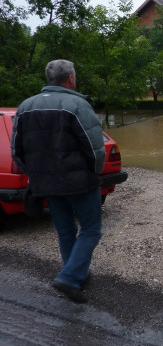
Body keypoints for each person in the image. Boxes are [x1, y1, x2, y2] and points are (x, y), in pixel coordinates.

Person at [11, 59, 105, 303]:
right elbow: (95, 148)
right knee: (91, 230)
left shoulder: (25, 107)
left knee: (65, 231)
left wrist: (35, 173)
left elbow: (16, 151)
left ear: (49, 78)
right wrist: (96, 173)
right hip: (80, 182)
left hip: (47, 183)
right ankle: (70, 277)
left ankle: (76, 275)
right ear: (71, 78)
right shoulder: (77, 104)